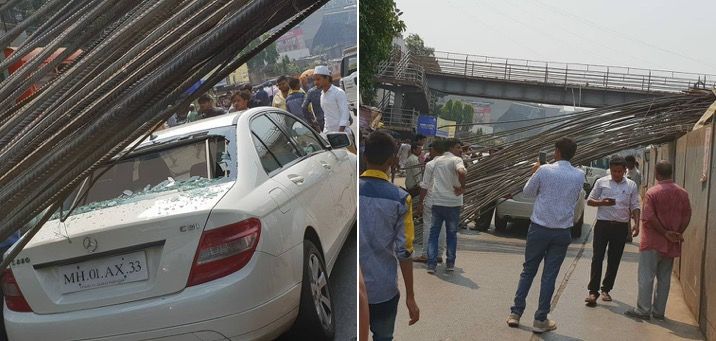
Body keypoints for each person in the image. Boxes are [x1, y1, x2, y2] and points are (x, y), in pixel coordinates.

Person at [507, 137, 584, 333]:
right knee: (549, 276)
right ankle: (540, 319)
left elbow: (527, 192)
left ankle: (516, 313)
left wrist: (534, 172)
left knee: (528, 271)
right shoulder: (579, 175)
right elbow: (574, 198)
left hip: (539, 228)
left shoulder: (544, 170)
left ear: (556, 151)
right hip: (561, 232)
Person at [359, 131, 419, 340]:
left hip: (355, 290)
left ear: (365, 157)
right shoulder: (402, 199)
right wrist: (410, 296)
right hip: (382, 290)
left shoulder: (348, 188)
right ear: (392, 161)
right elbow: (404, 251)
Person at [625, 160, 691, 320]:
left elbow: (649, 217)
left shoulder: (653, 193)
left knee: (646, 276)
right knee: (664, 278)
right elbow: (687, 215)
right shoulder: (683, 193)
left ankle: (643, 310)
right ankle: (659, 311)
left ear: (656, 173)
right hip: (671, 243)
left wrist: (664, 232)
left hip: (653, 241)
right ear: (671, 173)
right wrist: (677, 232)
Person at [584, 155, 640, 307]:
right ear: (610, 170)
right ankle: (593, 291)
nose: (617, 174)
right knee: (597, 258)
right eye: (614, 171)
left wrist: (637, 224)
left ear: (625, 170)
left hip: (620, 227)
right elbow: (589, 200)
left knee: (614, 259)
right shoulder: (601, 182)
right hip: (603, 225)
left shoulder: (631, 185)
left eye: (620, 171)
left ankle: (606, 289)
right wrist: (602, 202)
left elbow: (635, 205)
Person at [424, 138, 466, 273]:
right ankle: (450, 263)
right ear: (451, 148)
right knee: (451, 234)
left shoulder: (436, 161)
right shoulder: (456, 160)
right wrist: (462, 187)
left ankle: (431, 264)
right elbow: (462, 172)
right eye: (458, 147)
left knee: (434, 233)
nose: (461, 150)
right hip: (453, 203)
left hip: (438, 201)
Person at [414, 141, 446, 264]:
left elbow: (425, 185)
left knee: (428, 226)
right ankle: (438, 254)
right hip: (445, 201)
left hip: (432, 199)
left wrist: (420, 203)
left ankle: (426, 254)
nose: (429, 152)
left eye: (431, 149)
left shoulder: (431, 164)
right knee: (442, 226)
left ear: (435, 150)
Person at [313, 65, 350, 134]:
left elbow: (344, 114)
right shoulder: (322, 95)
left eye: (318, 79)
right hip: (329, 134)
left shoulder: (338, 92)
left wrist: (340, 133)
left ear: (327, 78)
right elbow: (326, 116)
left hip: (343, 134)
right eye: (314, 80)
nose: (315, 82)